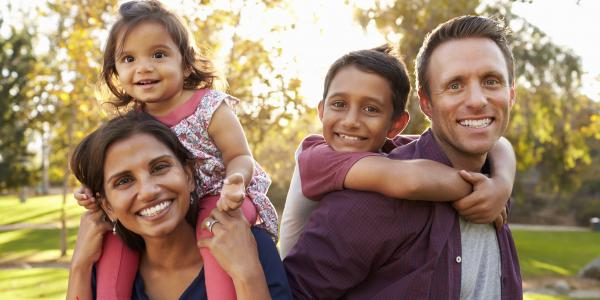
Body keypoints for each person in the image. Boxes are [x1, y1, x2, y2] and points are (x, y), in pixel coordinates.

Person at [284, 15, 522, 299]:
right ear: (427, 104)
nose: (476, 100)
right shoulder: (369, 199)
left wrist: (500, 184)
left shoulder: (494, 180)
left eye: (491, 81)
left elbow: (502, 145)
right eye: (455, 85)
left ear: (510, 95)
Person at [72, 1, 277, 299]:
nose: (144, 67)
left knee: (212, 233)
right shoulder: (134, 123)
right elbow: (108, 172)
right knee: (115, 242)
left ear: (184, 61)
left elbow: (240, 156)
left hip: (220, 198)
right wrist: (89, 194)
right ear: (115, 71)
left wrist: (236, 182)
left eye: (158, 54)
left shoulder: (208, 106)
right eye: (129, 58)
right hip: (172, 207)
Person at [67, 113, 291, 300]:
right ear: (108, 206)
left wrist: (247, 275)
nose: (148, 191)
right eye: (124, 181)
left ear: (189, 175)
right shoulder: (102, 269)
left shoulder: (248, 245)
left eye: (159, 167)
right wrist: (80, 265)